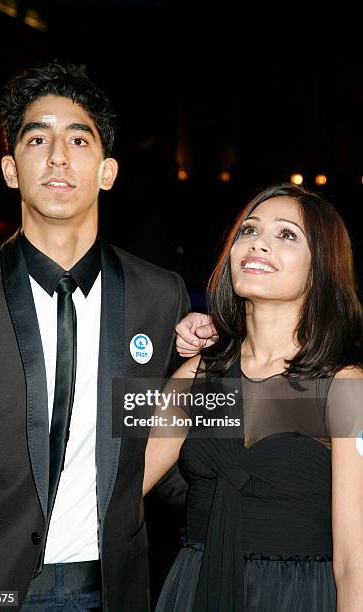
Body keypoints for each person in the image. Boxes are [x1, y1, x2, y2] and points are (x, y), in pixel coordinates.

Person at [0, 60, 190, 612]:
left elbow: (183, 440)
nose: (59, 155)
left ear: (107, 171)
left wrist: (327, 411)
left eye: (78, 139)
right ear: (11, 169)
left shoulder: (160, 298)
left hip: (110, 589)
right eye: (38, 138)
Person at [144, 183, 363, 611]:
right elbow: (117, 489)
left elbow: (355, 561)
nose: (258, 243)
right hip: (194, 592)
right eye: (248, 231)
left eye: (286, 235)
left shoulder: (345, 388)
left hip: (298, 598)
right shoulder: (194, 377)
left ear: (322, 268)